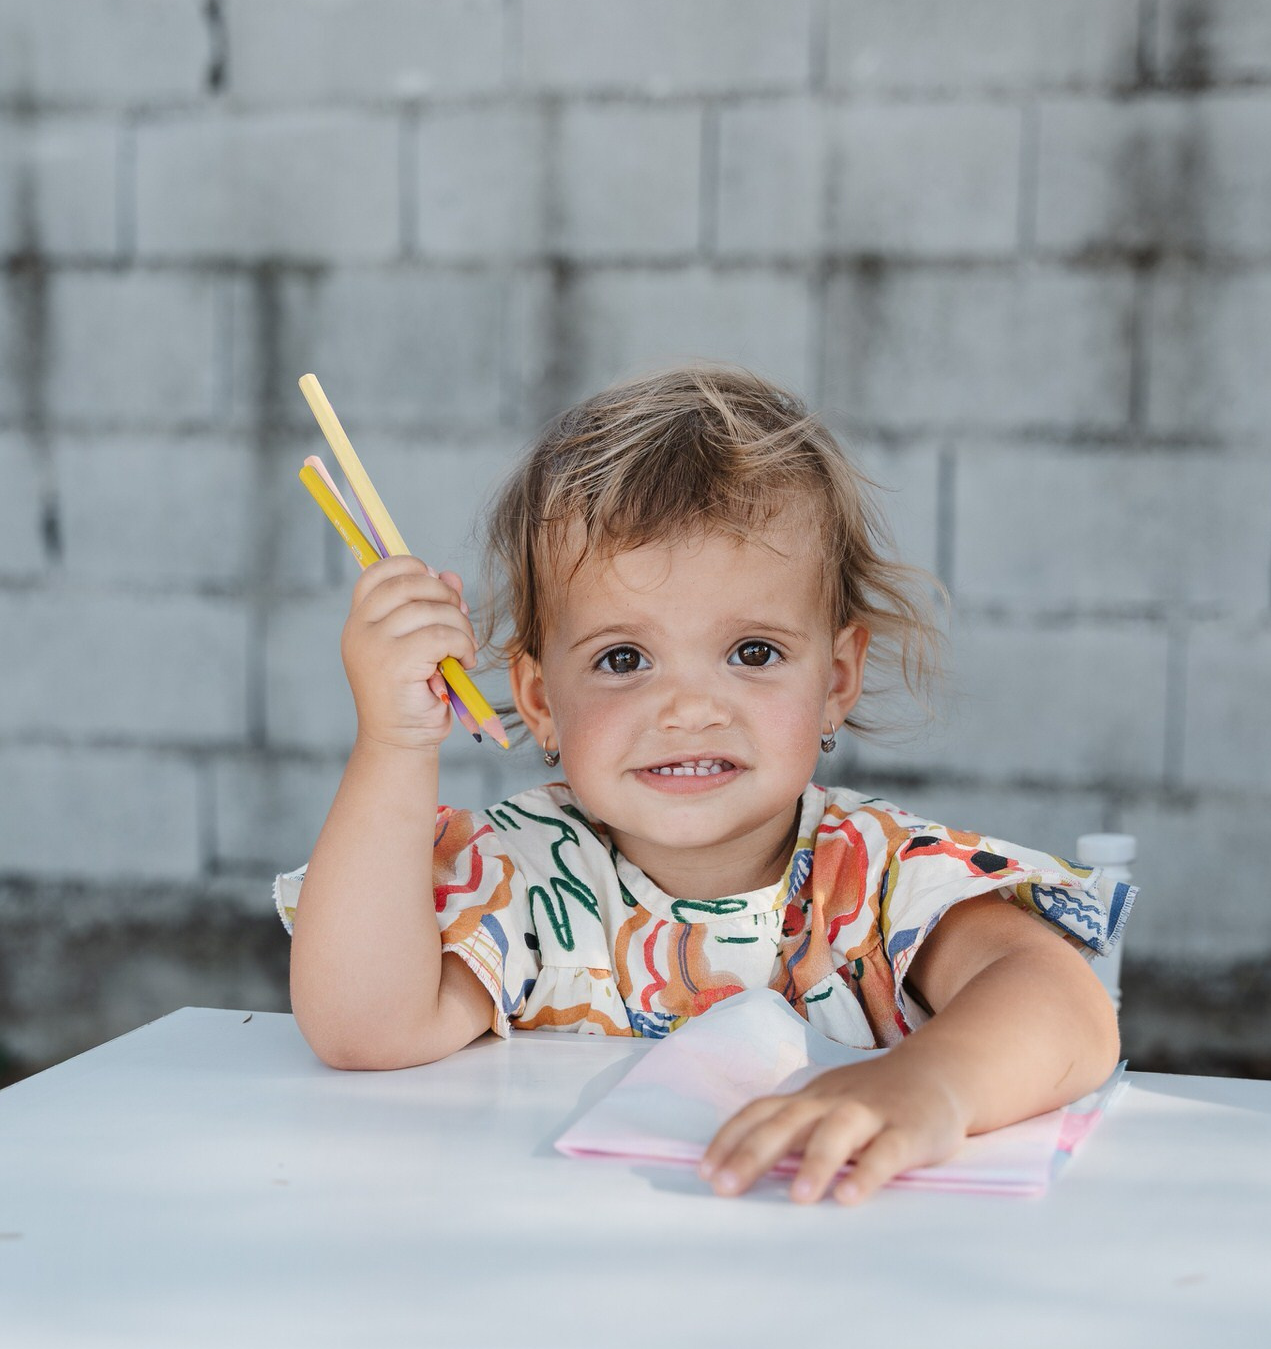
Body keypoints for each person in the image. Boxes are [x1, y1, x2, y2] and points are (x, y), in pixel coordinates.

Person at [278, 365, 1134, 1207]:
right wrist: (394, 742)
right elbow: (364, 1029)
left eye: (752, 652)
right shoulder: (522, 876)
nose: (688, 709)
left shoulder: (875, 879)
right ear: (541, 700)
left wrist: (930, 1088)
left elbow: (1070, 1009)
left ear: (835, 679)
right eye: (624, 659)